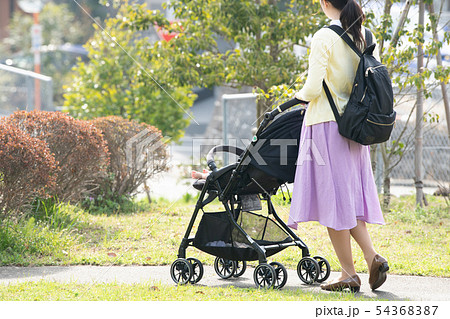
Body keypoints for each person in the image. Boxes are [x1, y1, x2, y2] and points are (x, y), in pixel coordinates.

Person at [288, 0, 389, 292]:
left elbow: (312, 87)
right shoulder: (366, 35)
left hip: (326, 126)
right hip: (358, 128)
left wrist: (294, 97)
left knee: (334, 202)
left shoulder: (323, 36)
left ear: (324, 3)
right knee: (348, 201)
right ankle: (372, 258)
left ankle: (348, 274)